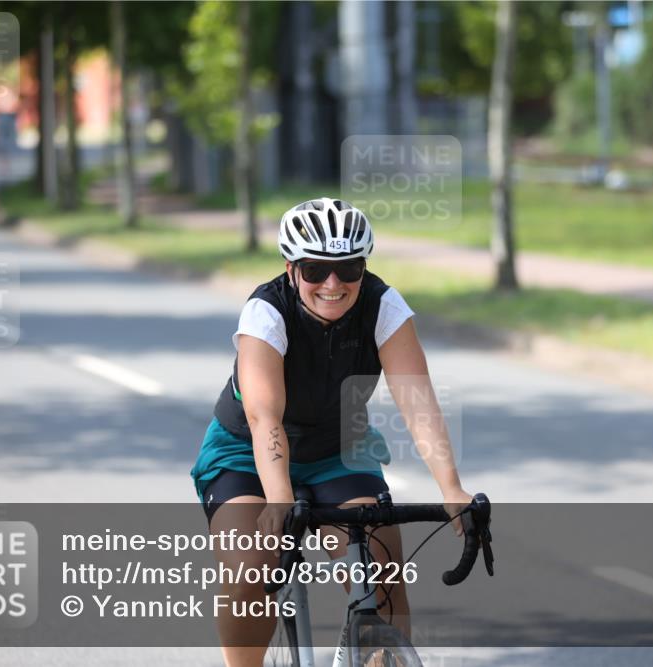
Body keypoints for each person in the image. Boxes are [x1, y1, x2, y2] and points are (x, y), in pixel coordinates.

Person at [190, 198, 473, 667]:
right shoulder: (266, 312)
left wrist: (450, 486)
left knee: (380, 573)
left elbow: (417, 402)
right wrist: (279, 497)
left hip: (340, 448)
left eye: (349, 268)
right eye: (315, 269)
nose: (333, 283)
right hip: (246, 452)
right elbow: (264, 417)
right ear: (291, 267)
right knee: (252, 569)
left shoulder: (384, 307)